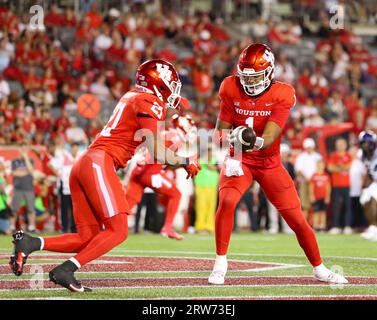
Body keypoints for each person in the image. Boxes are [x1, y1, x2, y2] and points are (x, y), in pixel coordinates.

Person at [9, 59, 201, 292]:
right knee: (118, 230)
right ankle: (66, 270)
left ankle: (30, 242)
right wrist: (185, 161)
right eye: (170, 84)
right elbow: (157, 152)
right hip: (99, 162)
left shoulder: (134, 96)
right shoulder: (150, 102)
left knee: (87, 237)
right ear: (159, 84)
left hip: (87, 162)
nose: (173, 90)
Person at [208, 43, 348, 285]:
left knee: (296, 218)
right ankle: (220, 263)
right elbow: (218, 134)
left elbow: (270, 139)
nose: (250, 83)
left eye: (256, 77)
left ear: (270, 72)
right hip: (241, 158)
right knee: (228, 200)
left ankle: (319, 268)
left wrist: (250, 138)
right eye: (246, 77)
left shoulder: (282, 93)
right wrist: (233, 143)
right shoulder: (230, 87)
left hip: (269, 162)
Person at [327, 137, 353, 235]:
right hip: (336, 185)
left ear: (345, 145)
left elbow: (349, 167)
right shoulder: (333, 155)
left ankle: (347, 226)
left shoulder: (348, 155)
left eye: (341, 144)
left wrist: (338, 166)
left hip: (346, 185)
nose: (340, 146)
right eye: (338, 144)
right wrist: (343, 167)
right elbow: (330, 168)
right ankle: (336, 226)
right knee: (336, 206)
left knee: (348, 206)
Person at [10, 146, 36, 233]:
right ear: (19, 150)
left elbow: (31, 170)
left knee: (31, 209)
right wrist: (26, 171)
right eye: (22, 149)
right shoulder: (14, 161)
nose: (24, 151)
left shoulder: (31, 160)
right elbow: (15, 173)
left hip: (29, 188)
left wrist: (26, 158)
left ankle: (32, 227)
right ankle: (12, 227)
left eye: (25, 149)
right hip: (18, 188)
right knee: (14, 209)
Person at [294, 138, 322, 220]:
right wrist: (307, 179)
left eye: (310, 147)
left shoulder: (318, 156)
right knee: (304, 204)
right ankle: (304, 223)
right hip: (304, 182)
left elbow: (321, 168)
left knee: (316, 205)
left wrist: (313, 179)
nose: (309, 148)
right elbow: (298, 171)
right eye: (307, 147)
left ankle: (316, 225)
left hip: (316, 182)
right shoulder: (301, 157)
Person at [358, 131, 377, 241]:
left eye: (367, 143)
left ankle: (375, 228)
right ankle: (373, 226)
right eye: (363, 143)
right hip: (374, 182)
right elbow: (369, 172)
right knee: (364, 199)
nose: (365, 145)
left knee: (373, 200)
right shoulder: (362, 156)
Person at [309, 159, 331, 232]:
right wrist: (312, 195)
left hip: (323, 197)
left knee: (323, 212)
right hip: (316, 197)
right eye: (319, 164)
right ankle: (315, 226)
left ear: (324, 166)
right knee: (316, 212)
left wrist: (328, 196)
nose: (320, 166)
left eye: (321, 165)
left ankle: (322, 226)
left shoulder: (326, 176)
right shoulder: (314, 175)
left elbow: (328, 187)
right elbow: (311, 186)